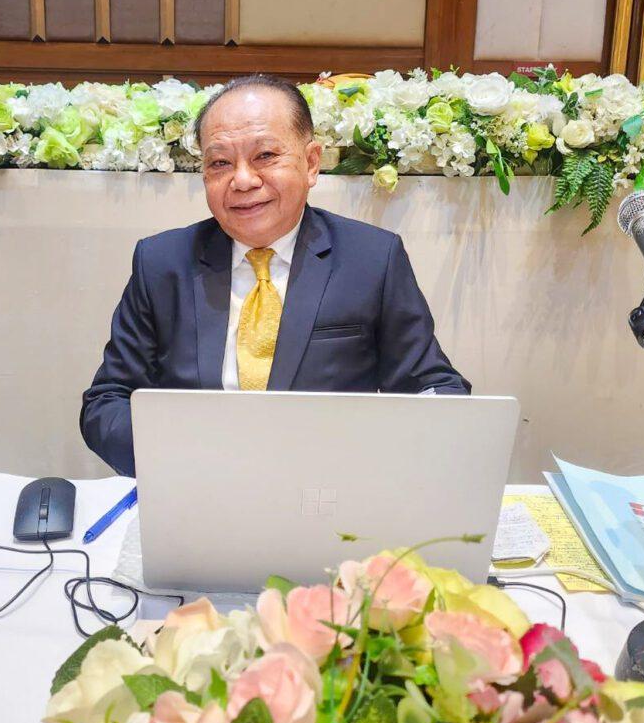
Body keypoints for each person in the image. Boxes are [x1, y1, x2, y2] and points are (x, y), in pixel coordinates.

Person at [81, 75, 470, 474]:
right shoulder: (161, 263)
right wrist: (181, 455)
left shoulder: (372, 259)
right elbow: (107, 401)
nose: (243, 180)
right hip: (197, 482)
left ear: (311, 163)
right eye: (220, 163)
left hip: (326, 485)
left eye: (265, 155)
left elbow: (432, 385)